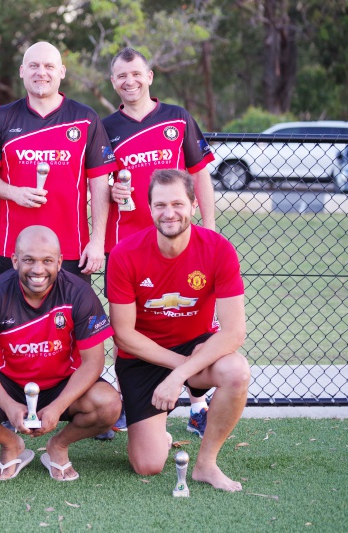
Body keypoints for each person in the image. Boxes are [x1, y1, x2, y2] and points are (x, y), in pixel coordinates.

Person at [107, 169, 249, 492]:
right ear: (149, 208)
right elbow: (123, 335)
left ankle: (206, 464)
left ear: (194, 205)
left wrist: (180, 375)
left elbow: (234, 333)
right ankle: (157, 434)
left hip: (195, 347)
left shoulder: (218, 249)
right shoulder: (125, 254)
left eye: (177, 204)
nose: (169, 213)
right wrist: (180, 369)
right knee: (148, 465)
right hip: (143, 356)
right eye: (160, 205)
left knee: (237, 371)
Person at [0, 226, 122, 481]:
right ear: (15, 261)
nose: (38, 270)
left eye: (47, 261)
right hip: (9, 383)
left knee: (109, 405)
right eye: (29, 260)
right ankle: (11, 444)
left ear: (59, 262)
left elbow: (93, 362)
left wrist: (58, 407)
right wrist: (9, 405)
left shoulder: (79, 293)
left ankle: (58, 446)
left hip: (62, 383)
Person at [102, 47, 217, 438]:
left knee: (190, 319)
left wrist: (209, 227)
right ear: (113, 82)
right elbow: (100, 183)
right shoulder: (105, 127)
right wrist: (113, 192)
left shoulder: (177, 117)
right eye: (121, 75)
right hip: (126, 245)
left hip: (179, 242)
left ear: (149, 76)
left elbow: (199, 174)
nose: (130, 81)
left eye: (136, 73)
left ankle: (198, 406)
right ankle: (126, 401)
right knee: (128, 326)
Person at [0, 42, 117, 282]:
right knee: (12, 308)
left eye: (49, 66)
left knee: (71, 308)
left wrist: (97, 241)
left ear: (62, 71)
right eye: (34, 66)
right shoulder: (2, 117)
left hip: (71, 249)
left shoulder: (85, 118)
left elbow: (100, 184)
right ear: (22, 71)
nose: (41, 72)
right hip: (14, 250)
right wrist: (14, 193)